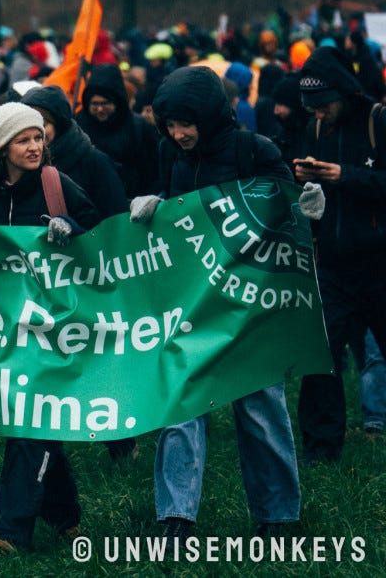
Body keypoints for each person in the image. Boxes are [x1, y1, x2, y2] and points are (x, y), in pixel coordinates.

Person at [131, 65, 322, 537]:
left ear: (210, 115)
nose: (178, 134)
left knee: (261, 408)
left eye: (186, 124)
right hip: (192, 306)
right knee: (181, 408)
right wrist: (155, 205)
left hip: (250, 308)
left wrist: (309, 206)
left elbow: (290, 213)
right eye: (170, 125)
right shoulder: (167, 152)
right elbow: (176, 212)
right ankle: (174, 518)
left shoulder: (255, 150)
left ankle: (279, 518)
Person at [0, 103, 98, 553]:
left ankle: (8, 531)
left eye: (38, 138)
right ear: (2, 146)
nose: (35, 146)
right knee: (34, 421)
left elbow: (102, 239)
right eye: (24, 139)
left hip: (53, 329)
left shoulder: (55, 185)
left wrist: (73, 228)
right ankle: (66, 517)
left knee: (31, 418)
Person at [21, 84, 135, 462]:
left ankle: (120, 440)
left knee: (97, 356)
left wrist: (77, 233)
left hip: (89, 274)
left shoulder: (90, 160)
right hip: (44, 282)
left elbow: (113, 219)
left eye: (43, 125)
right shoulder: (27, 167)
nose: (36, 135)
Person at [293, 47, 386, 462]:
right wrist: (307, 185)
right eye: (310, 108)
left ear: (344, 95)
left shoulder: (376, 121)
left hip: (379, 262)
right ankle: (321, 448)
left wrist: (344, 176)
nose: (317, 115)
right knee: (320, 356)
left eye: (323, 106)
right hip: (332, 264)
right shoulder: (315, 131)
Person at [76, 63, 159, 199]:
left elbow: (154, 170)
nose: (100, 109)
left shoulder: (139, 127)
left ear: (117, 102)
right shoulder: (78, 128)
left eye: (105, 103)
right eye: (95, 104)